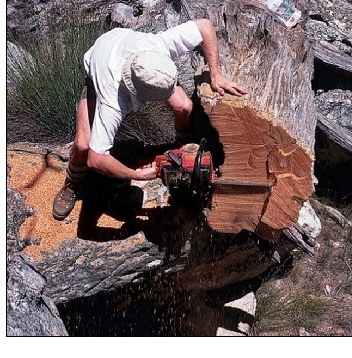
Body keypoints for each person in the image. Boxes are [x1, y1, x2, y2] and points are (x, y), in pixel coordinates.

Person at [53, 18, 247, 220]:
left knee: (184, 106)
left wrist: (216, 73)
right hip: (100, 66)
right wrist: (135, 175)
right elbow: (96, 158)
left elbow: (205, 26)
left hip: (133, 52)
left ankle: (181, 150)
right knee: (84, 144)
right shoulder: (112, 101)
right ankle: (72, 183)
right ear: (141, 94)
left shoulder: (157, 47)